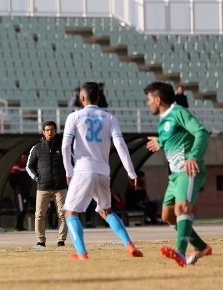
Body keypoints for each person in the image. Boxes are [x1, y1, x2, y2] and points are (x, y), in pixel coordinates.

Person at [61, 82, 143, 260]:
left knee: (70, 212)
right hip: (103, 172)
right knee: (106, 211)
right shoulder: (109, 118)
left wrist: (68, 170)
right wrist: (131, 172)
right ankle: (129, 244)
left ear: (81, 98)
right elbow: (120, 145)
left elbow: (66, 145)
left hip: (82, 170)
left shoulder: (74, 117)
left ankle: (82, 253)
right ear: (98, 98)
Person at [144, 81, 211, 267]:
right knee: (167, 216)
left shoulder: (179, 112)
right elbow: (174, 136)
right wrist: (161, 141)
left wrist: (194, 156)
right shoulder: (163, 120)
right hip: (174, 175)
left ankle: (180, 253)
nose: (147, 103)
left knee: (181, 209)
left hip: (188, 171)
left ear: (158, 100)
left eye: (149, 99)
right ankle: (201, 247)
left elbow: (201, 132)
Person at [26, 121, 68, 248]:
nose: (50, 132)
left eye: (52, 130)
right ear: (43, 132)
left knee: (63, 214)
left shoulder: (64, 147)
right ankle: (40, 241)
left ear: (55, 131)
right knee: (39, 215)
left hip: (60, 187)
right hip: (43, 187)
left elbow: (72, 163)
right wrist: (37, 178)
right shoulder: (37, 148)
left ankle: (61, 240)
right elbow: (29, 166)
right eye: (47, 130)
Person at [9, 152, 32, 231]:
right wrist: (16, 188)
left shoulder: (28, 167)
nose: (25, 160)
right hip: (20, 192)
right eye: (23, 158)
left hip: (26, 191)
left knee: (24, 208)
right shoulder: (17, 167)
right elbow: (12, 179)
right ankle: (18, 226)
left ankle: (21, 225)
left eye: (26, 158)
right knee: (21, 208)